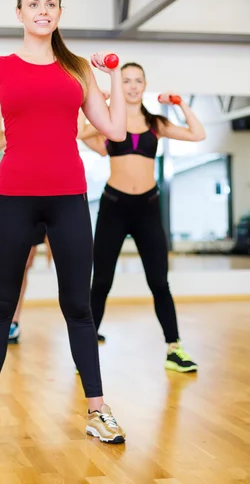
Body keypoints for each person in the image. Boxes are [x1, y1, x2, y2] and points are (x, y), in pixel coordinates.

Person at [0, 0, 127, 449]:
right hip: (14, 198)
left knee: (79, 307)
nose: (42, 11)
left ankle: (97, 410)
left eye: (50, 3)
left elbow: (113, 128)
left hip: (69, 198)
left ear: (59, 12)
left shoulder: (76, 70)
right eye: (33, 4)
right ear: (19, 13)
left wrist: (113, 76)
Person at [80, 62, 205, 373]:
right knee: (102, 281)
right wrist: (106, 102)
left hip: (148, 208)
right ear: (119, 86)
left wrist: (180, 103)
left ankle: (174, 348)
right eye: (126, 81)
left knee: (159, 282)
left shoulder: (156, 123)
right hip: (114, 207)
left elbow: (197, 134)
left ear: (144, 85)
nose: (133, 86)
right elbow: (82, 131)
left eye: (138, 81)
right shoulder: (109, 122)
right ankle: (86, 346)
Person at [0, 106, 53, 344]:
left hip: (45, 200)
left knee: (25, 265)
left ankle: (14, 320)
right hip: (15, 199)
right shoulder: (14, 130)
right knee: (10, 265)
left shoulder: (49, 129)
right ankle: (4, 317)